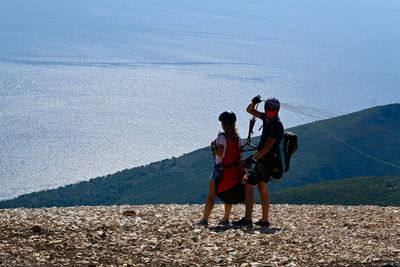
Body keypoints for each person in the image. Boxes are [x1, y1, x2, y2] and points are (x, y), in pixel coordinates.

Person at [232, 96, 284, 227]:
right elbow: (250, 110)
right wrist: (254, 102)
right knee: (258, 186)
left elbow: (267, 147)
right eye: (269, 108)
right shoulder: (267, 119)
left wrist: (253, 159)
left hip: (266, 160)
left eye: (273, 109)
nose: (270, 110)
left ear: (277, 110)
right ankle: (261, 220)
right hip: (263, 160)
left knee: (254, 186)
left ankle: (254, 219)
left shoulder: (277, 125)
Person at [199, 111, 243, 226]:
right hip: (233, 171)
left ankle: (204, 219)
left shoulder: (221, 137)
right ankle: (226, 218)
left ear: (224, 124)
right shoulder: (237, 138)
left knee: (211, 196)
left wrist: (213, 146)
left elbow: (219, 154)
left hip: (220, 169)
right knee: (228, 195)